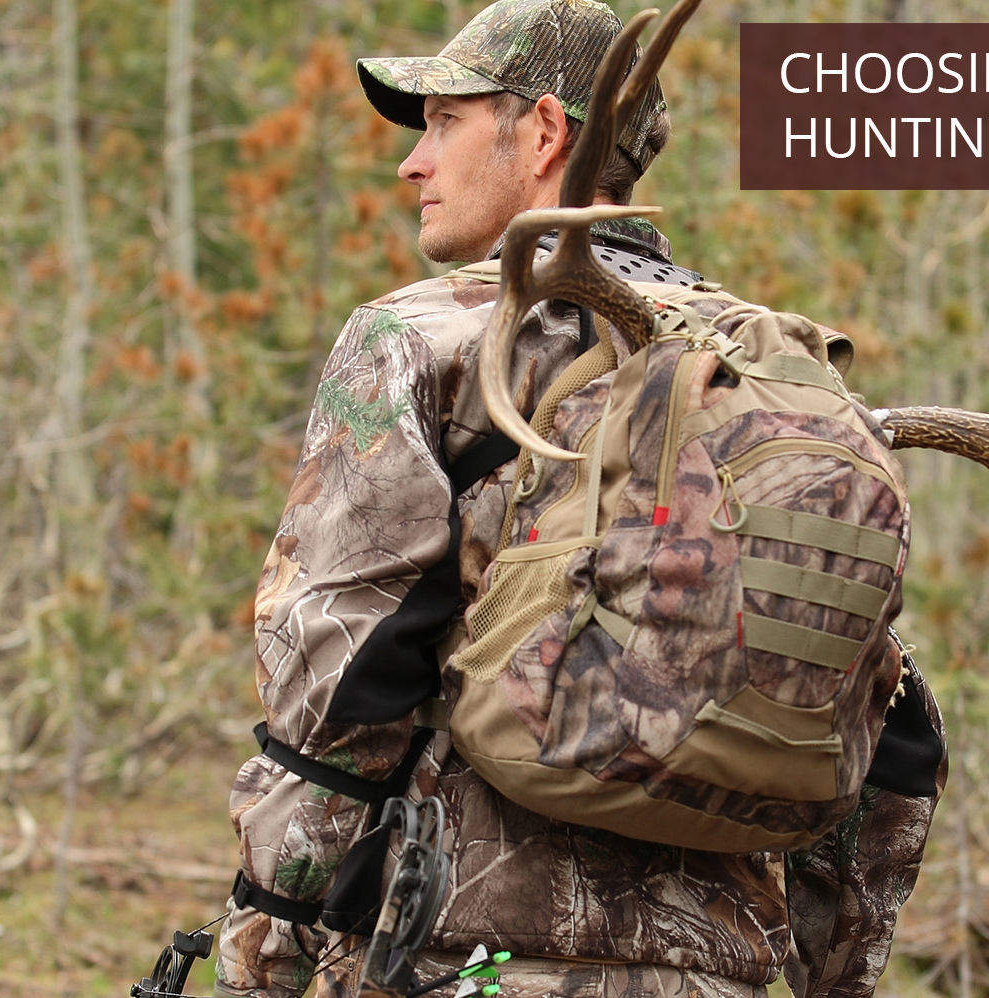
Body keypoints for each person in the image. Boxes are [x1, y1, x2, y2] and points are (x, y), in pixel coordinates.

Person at [213, 2, 945, 997]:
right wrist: (840, 972)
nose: (412, 164)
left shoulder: (428, 339)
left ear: (548, 131)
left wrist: (260, 960)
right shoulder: (773, 370)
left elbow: (335, 686)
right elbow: (883, 712)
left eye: (445, 121)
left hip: (456, 968)